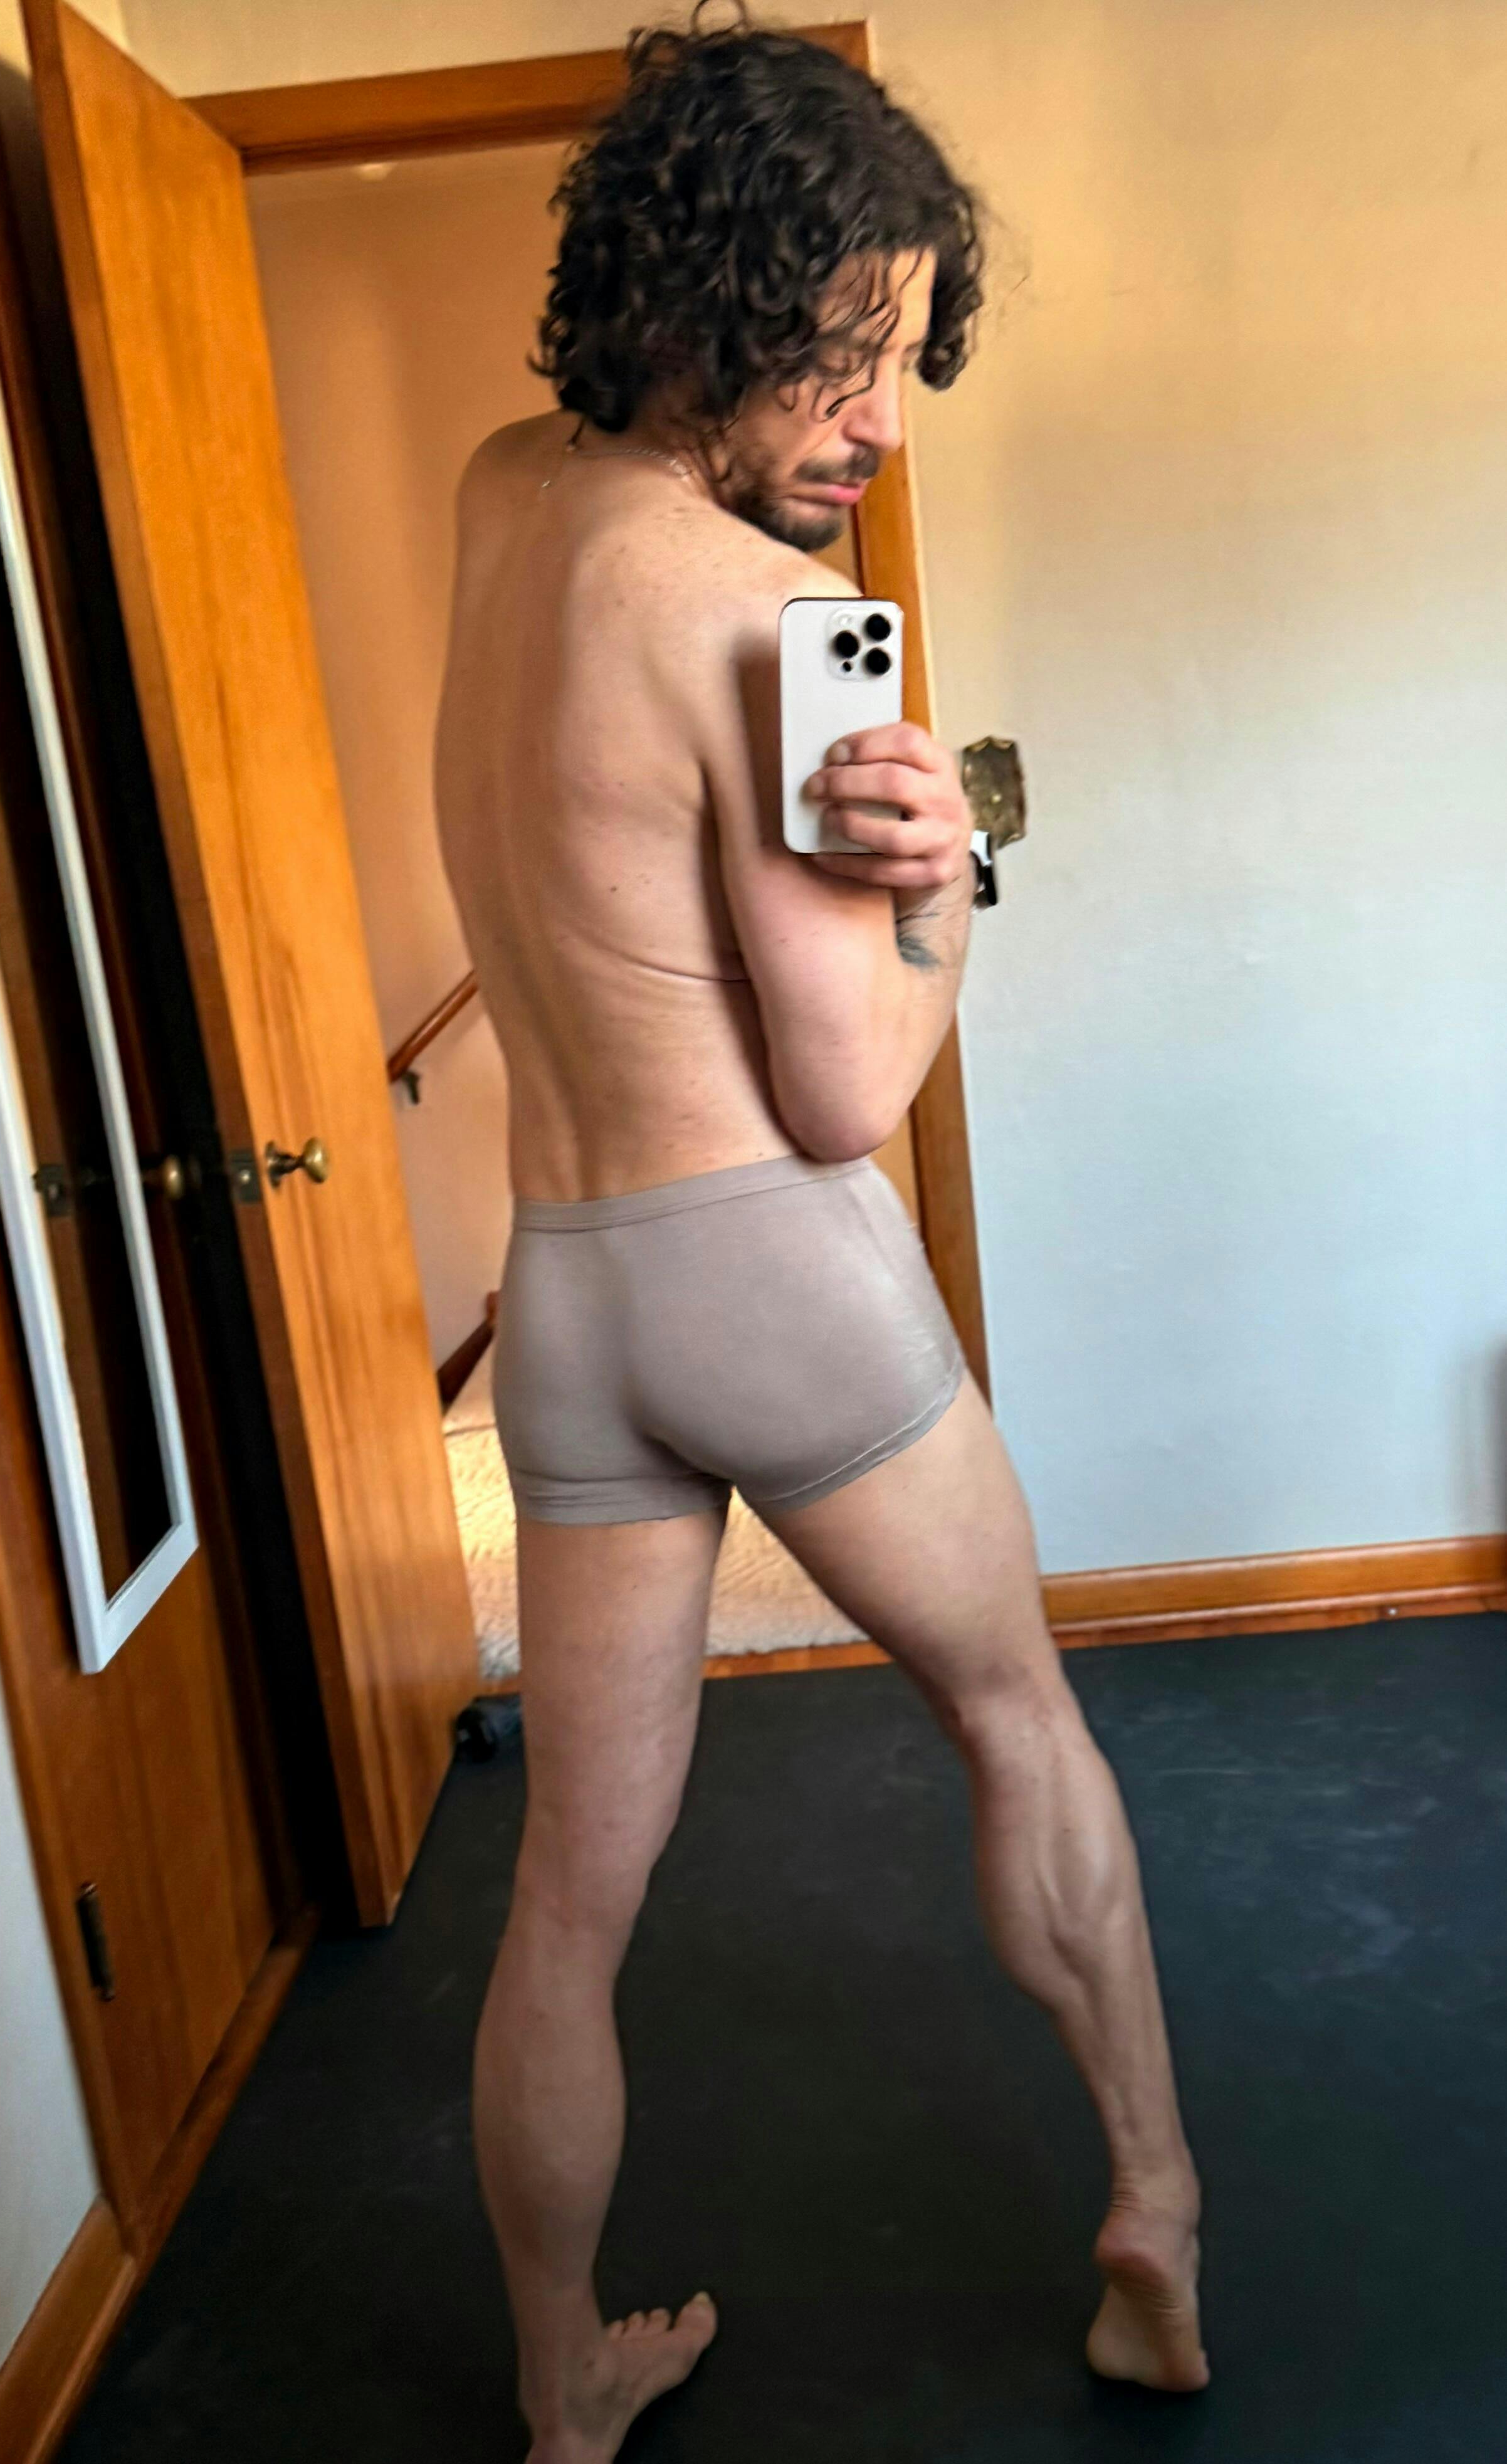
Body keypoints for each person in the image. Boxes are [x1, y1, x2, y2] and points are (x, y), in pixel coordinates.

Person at [434, 19, 1207, 2459]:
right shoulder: (793, 623)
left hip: (565, 1289)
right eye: (837, 350)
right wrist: (950, 874)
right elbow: (843, 1087)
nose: (880, 419)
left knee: (568, 1900)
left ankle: (562, 2392)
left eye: (904, 355)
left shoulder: (495, 495)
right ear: (706, 295)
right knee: (1016, 1716)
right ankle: (1155, 2213)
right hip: (768, 1265)